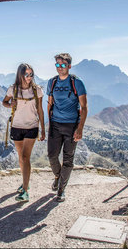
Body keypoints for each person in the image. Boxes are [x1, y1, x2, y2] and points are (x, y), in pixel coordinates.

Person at [47, 53, 88, 202]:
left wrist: (80, 128)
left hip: (72, 126)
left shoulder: (77, 83)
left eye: (63, 65)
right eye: (57, 65)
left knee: (68, 159)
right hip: (55, 125)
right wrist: (49, 123)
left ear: (69, 66)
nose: (60, 68)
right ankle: (58, 176)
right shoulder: (51, 82)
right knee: (52, 156)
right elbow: (50, 104)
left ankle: (61, 189)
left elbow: (84, 107)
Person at [2, 63, 46, 202]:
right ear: (20, 74)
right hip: (16, 126)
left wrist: (43, 128)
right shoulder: (13, 89)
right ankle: (25, 182)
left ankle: (25, 191)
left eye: (31, 74)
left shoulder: (37, 90)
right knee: (21, 157)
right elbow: (4, 102)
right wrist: (10, 105)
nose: (29, 77)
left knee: (26, 157)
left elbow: (40, 109)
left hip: (32, 126)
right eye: (26, 74)